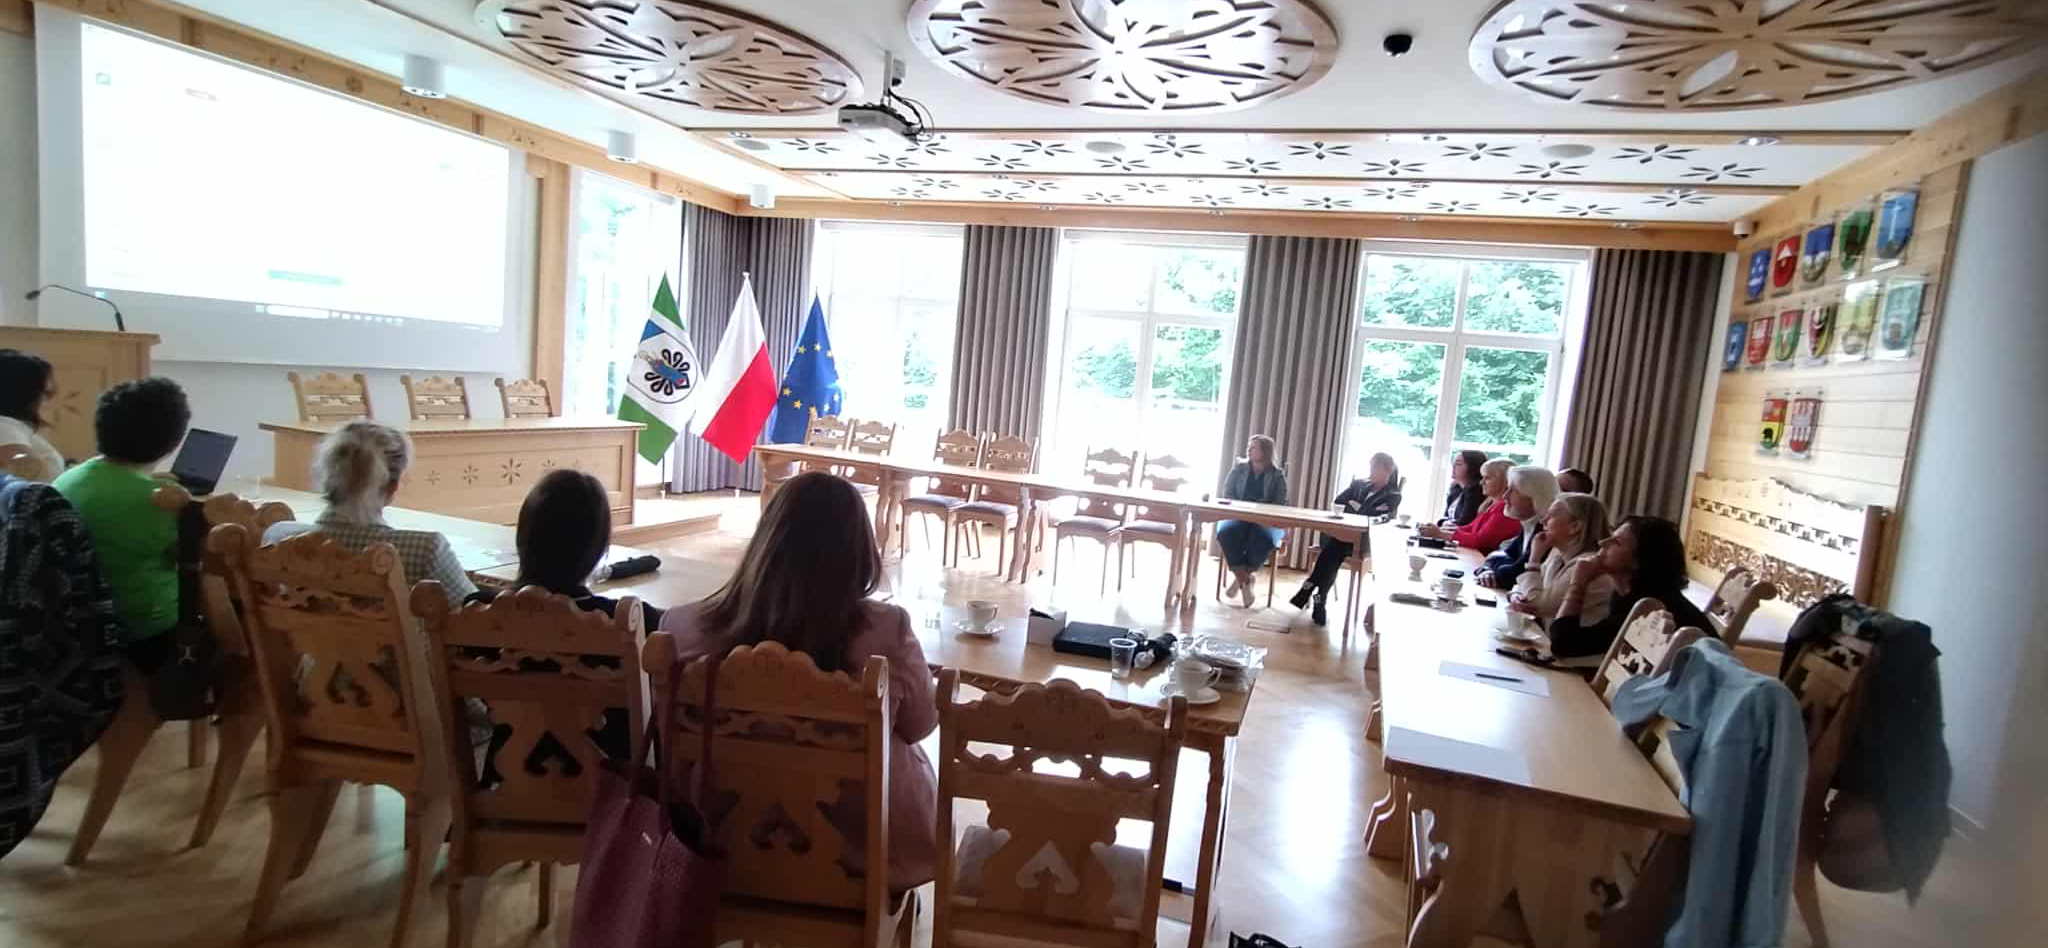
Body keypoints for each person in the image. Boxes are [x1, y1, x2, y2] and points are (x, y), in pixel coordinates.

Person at [658, 471, 936, 891]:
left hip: (720, 839)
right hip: (856, 851)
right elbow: (921, 725)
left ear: (765, 542)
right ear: (857, 550)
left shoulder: (680, 627)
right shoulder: (886, 630)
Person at [463, 469, 658, 778]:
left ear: (523, 538)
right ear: (598, 548)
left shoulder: (476, 614)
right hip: (610, 792)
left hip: (507, 781)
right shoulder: (632, 622)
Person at [53, 378, 192, 672]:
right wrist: (188, 510)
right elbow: (186, 557)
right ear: (173, 442)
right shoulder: (157, 503)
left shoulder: (69, 478)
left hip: (72, 624)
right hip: (142, 630)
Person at [264, 419, 476, 606]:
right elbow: (476, 616)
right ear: (393, 486)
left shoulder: (277, 537)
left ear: (326, 477)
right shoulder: (425, 550)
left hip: (308, 642)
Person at [1547, 515, 1711, 662]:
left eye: (1616, 542)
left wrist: (1578, 584)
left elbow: (1564, 644)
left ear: (1640, 560)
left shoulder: (1648, 607)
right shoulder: (1627, 595)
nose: (1602, 543)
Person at [1291, 452, 1400, 625]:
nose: (1371, 471)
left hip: (1362, 540)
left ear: (1388, 471)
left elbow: (1378, 518)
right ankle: (1319, 599)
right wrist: (1360, 509)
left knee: (1334, 550)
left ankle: (1309, 587)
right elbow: (1339, 502)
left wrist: (1356, 506)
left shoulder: (1393, 495)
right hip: (1340, 535)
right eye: (1370, 467)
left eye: (1376, 468)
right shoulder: (1359, 485)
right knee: (1335, 548)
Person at [1509, 492, 1614, 624]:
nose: (1542, 521)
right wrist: (1516, 594)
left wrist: (1534, 560)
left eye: (1551, 516)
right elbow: (1521, 588)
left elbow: (1535, 605)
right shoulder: (1557, 557)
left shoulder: (1589, 565)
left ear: (1574, 526)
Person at [1214, 434, 1289, 608]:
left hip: (1265, 519)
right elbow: (1228, 492)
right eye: (1249, 446)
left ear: (1265, 452)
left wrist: (1260, 512)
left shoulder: (1277, 475)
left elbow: (1280, 503)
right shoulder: (1239, 468)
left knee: (1264, 538)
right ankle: (1245, 579)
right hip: (1238, 515)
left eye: (1253, 447)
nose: (1248, 449)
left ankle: (1241, 578)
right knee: (1225, 532)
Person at [1476, 465, 1559, 589]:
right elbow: (1502, 556)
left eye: (1514, 491)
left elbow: (1515, 574)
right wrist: (1487, 569)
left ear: (1536, 497)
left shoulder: (1544, 531)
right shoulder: (1529, 524)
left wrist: (1493, 572)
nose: (1505, 496)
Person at [1418, 458, 1516, 552]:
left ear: (1505, 481)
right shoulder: (1492, 505)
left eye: (1487, 478)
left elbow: (1480, 541)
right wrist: (1439, 530)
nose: (1481, 482)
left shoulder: (1505, 509)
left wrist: (1441, 534)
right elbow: (1469, 528)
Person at [0, 349, 68, 482]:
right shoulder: (5, 426)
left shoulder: (12, 427)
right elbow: (26, 468)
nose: (47, 402)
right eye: (45, 393)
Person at [1440, 449, 1490, 526]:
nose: (1453, 466)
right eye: (1453, 463)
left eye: (1459, 464)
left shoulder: (1475, 490)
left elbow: (1465, 522)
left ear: (1473, 467)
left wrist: (1445, 524)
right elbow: (1446, 517)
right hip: (1447, 530)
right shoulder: (1456, 488)